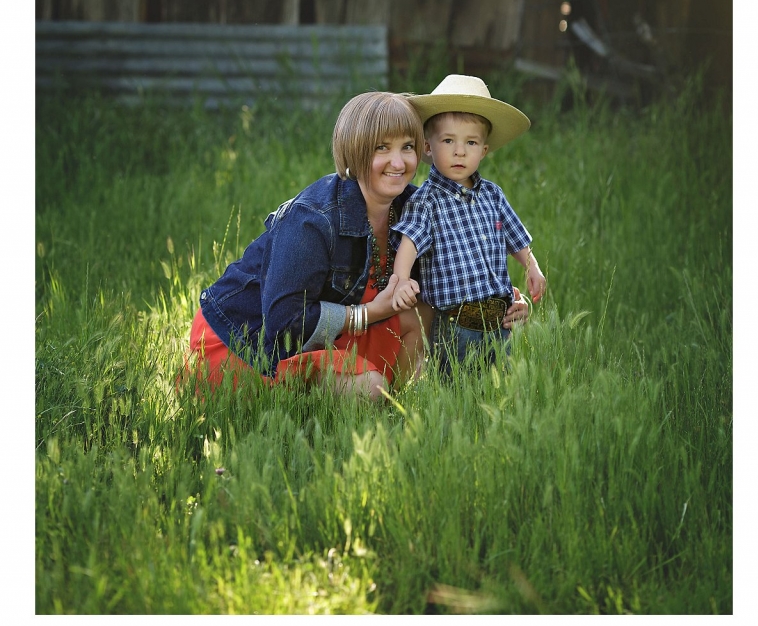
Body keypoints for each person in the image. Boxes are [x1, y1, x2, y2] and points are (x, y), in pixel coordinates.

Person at [185, 91, 433, 401]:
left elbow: (457, 268)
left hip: (322, 336)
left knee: (422, 313)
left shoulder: (413, 206)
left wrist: (504, 301)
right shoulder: (313, 219)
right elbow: (284, 323)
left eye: (407, 147)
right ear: (354, 151)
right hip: (246, 346)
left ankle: (394, 410)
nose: (398, 162)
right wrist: (369, 313)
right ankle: (335, 411)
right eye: (382, 147)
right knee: (369, 388)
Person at [391, 74, 546, 372]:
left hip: (499, 322)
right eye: (448, 140)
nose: (459, 151)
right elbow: (409, 245)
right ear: (427, 147)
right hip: (454, 324)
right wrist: (401, 282)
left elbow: (516, 239)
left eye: (471, 142)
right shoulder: (426, 201)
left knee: (498, 386)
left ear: (483, 151)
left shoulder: (493, 195)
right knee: (455, 386)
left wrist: (532, 267)